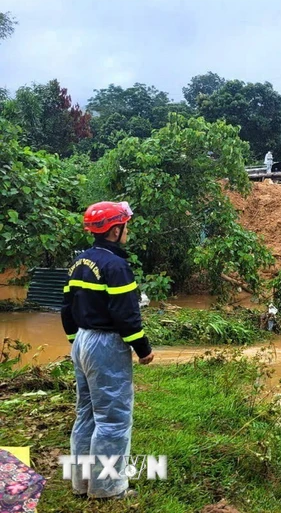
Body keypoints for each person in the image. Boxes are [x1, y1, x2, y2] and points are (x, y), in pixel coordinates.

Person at [61, 201, 153, 500]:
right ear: (116, 230)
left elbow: (66, 308)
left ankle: (81, 483)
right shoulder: (116, 266)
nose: (128, 231)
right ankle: (108, 490)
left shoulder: (80, 262)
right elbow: (126, 316)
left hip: (83, 341)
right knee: (112, 418)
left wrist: (77, 341)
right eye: (125, 225)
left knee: (86, 413)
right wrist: (143, 349)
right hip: (105, 344)